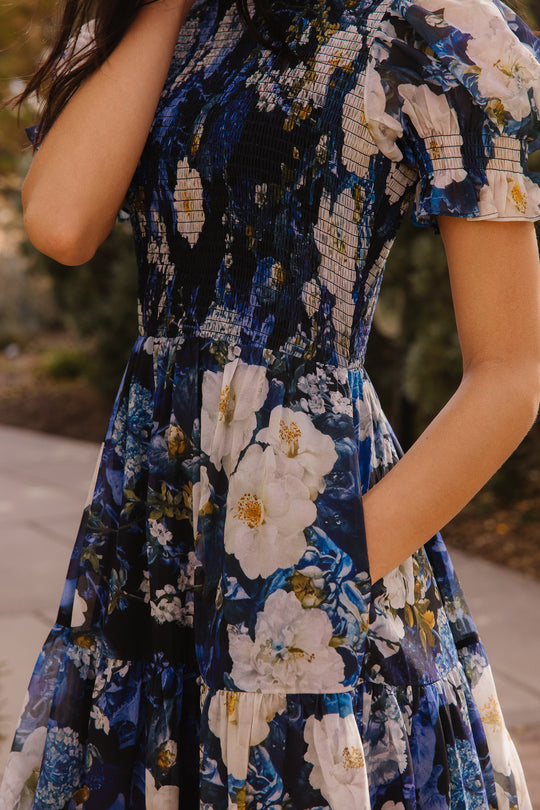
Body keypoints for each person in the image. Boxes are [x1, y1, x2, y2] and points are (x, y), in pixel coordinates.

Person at [1, 0, 540, 806]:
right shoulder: (166, 26)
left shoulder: (436, 28)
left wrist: (329, 572)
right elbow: (61, 222)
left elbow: (509, 377)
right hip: (156, 533)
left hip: (311, 527)